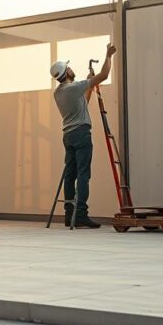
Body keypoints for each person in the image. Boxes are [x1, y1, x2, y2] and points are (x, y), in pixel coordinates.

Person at [49, 43, 116, 229]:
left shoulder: (59, 92)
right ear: (66, 73)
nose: (72, 68)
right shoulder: (73, 88)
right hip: (81, 134)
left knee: (70, 175)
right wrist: (109, 55)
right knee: (84, 175)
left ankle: (69, 215)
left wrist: (88, 86)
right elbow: (104, 76)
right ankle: (80, 215)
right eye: (69, 67)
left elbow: (83, 103)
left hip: (68, 135)